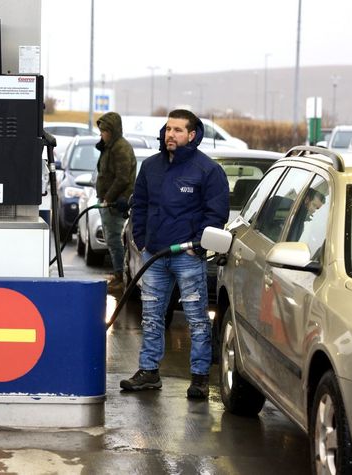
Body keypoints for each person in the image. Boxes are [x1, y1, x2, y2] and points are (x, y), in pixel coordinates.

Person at [120, 109, 229, 399]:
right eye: (168, 129)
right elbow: (139, 205)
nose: (171, 134)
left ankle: (200, 377)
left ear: (192, 135)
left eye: (178, 130)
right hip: (154, 255)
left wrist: (198, 245)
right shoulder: (151, 167)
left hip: (187, 256)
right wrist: (142, 240)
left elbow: (216, 214)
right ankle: (148, 372)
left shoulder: (207, 170)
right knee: (152, 317)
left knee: (196, 319)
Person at [94, 111, 136, 298]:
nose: (102, 134)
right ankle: (118, 274)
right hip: (108, 201)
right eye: (101, 131)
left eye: (105, 131)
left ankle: (120, 276)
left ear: (113, 130)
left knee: (114, 240)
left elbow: (122, 178)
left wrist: (108, 198)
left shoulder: (121, 148)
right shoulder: (109, 148)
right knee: (111, 240)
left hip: (114, 203)